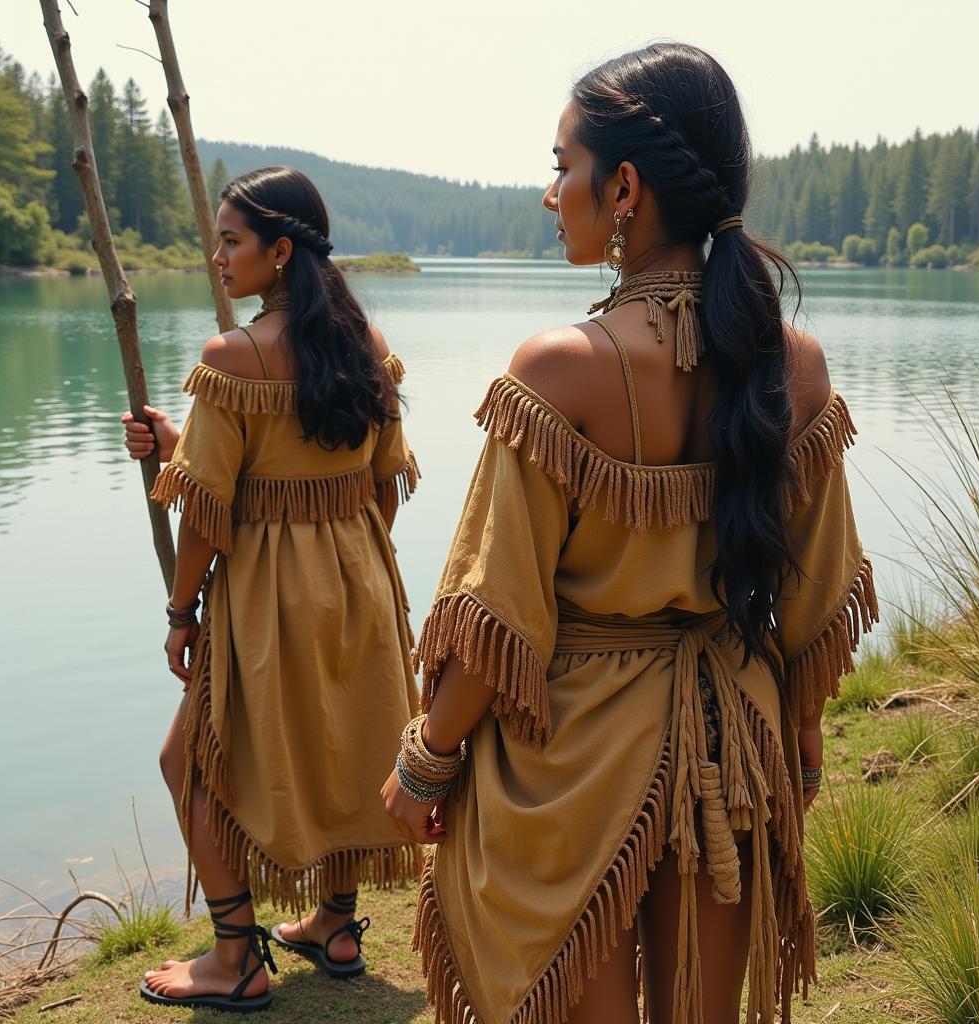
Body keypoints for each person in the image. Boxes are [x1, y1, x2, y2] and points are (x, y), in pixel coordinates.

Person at [382, 42, 878, 1024]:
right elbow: (817, 607)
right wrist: (802, 741)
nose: (548, 192)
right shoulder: (797, 366)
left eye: (559, 166)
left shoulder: (563, 367)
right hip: (730, 744)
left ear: (621, 188)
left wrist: (424, 758)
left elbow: (497, 616)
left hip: (572, 759)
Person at [125, 166, 421, 1012]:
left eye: (231, 240)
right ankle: (333, 924)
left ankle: (233, 955)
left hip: (269, 599)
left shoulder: (233, 356)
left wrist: (182, 612)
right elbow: (384, 479)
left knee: (188, 758)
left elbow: (209, 516)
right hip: (362, 582)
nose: (217, 256)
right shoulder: (363, 348)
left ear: (280, 251)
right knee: (341, 738)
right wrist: (351, 565)